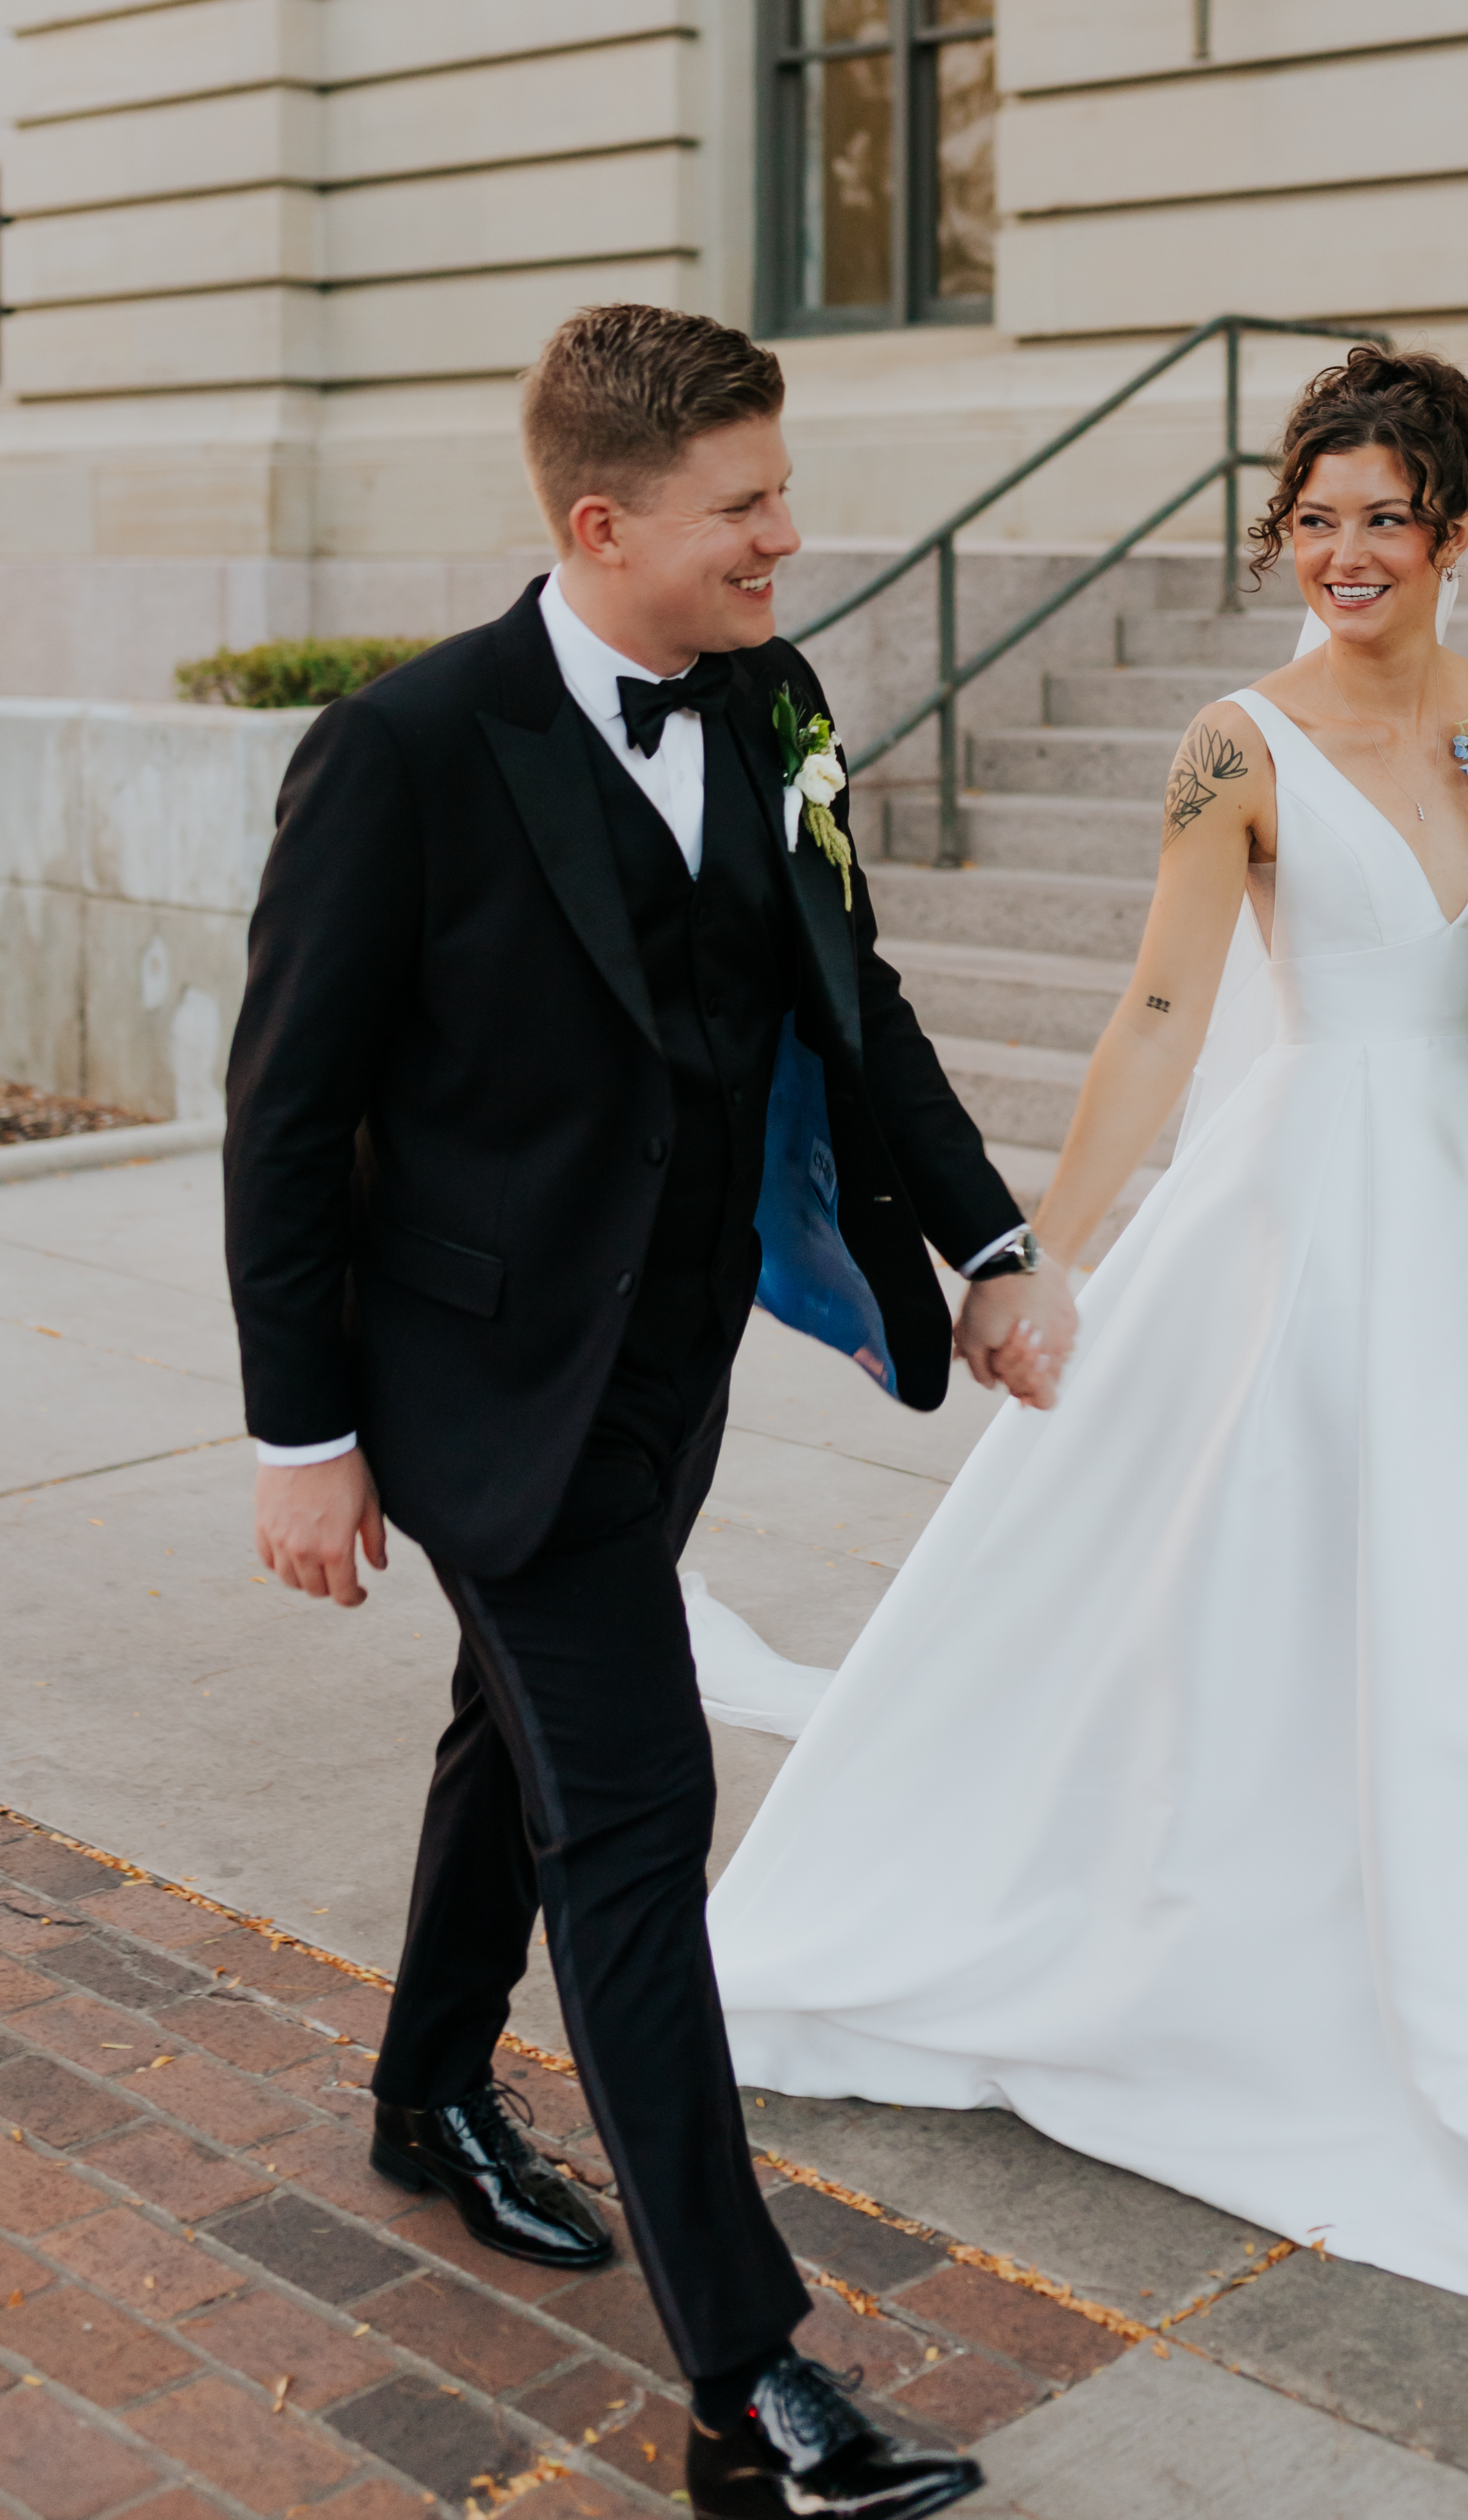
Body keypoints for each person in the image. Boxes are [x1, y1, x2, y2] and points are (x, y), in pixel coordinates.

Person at [710, 346, 1468, 2323]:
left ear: (1452, 533)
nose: (1343, 554)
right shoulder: (1230, 748)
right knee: (1277, 1569)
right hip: (1300, 1207)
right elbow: (1160, 1017)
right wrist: (1037, 1256)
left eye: (1383, 520)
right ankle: (1269, 1928)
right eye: (1313, 519)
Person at [223, 303, 1075, 2520]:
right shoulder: (408, 751)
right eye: (745, 510)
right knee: (629, 1812)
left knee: (507, 1734)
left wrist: (983, 1249)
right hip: (469, 1380)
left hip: (668, 1360)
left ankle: (424, 2097)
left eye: (780, 493)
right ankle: (753, 2384)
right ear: (601, 525)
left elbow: (846, 992)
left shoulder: (775, 697)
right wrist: (298, 1437)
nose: (789, 538)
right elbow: (284, 1115)